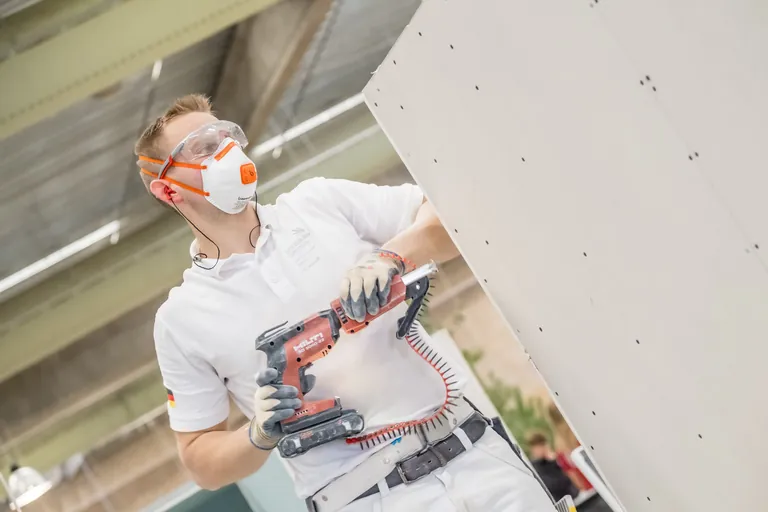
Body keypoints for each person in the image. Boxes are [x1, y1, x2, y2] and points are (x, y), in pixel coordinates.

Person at [134, 94, 555, 512]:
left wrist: (392, 255)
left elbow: (449, 218)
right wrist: (259, 432)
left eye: (226, 137)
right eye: (204, 148)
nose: (226, 151)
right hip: (367, 499)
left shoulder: (320, 204)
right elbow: (201, 462)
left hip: (478, 455)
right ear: (168, 189)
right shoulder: (181, 320)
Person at [526, 432, 578, 503]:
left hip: (574, 496)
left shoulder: (555, 459)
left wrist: (553, 461)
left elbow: (570, 476)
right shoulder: (534, 468)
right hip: (559, 502)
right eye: (537, 447)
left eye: (542, 445)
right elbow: (553, 484)